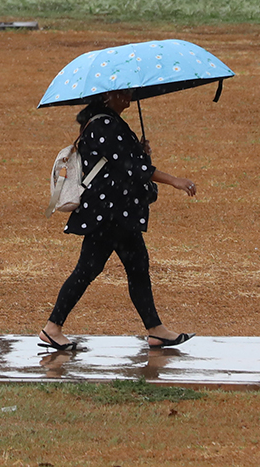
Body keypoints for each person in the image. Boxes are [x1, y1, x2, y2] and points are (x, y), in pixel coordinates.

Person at [38, 88, 198, 352]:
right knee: (90, 270)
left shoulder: (108, 122)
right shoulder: (104, 125)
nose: (129, 98)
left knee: (135, 267)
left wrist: (140, 149)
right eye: (123, 93)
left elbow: (125, 160)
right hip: (109, 214)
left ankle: (155, 329)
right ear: (106, 97)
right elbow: (132, 167)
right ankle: (52, 327)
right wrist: (175, 181)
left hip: (116, 213)